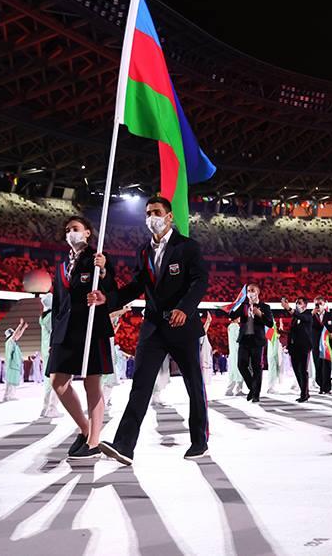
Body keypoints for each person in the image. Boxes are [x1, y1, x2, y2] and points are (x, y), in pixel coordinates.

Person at [90, 195, 210, 464]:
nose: (151, 217)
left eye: (156, 212)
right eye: (147, 213)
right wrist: (108, 300)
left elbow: (199, 281)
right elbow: (136, 286)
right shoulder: (143, 251)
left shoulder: (188, 247)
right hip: (153, 327)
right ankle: (124, 445)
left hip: (183, 326)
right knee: (140, 386)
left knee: (193, 385)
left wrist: (185, 308)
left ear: (169, 217)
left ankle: (199, 441)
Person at [46, 215, 117, 460]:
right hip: (65, 331)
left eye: (75, 229)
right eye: (67, 230)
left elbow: (111, 289)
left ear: (87, 232)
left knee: (91, 383)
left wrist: (104, 269)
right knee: (58, 382)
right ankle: (86, 429)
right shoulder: (60, 265)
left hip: (91, 327)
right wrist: (54, 334)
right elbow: (57, 302)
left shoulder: (97, 258)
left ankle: (94, 440)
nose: (70, 233)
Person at [229, 282, 273, 403]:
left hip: (257, 341)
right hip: (244, 340)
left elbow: (270, 323)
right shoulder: (243, 306)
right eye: (248, 290)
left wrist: (260, 314)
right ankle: (252, 388)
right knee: (241, 365)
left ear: (257, 292)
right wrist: (238, 303)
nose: (250, 293)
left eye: (252, 290)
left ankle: (256, 394)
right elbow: (231, 314)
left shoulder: (265, 307)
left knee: (256, 367)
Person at [283, 296, 314, 402]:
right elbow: (292, 333)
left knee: (302, 370)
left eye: (299, 302)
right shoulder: (295, 318)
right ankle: (304, 392)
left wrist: (288, 308)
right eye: (296, 302)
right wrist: (283, 333)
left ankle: (304, 394)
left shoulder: (308, 314)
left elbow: (301, 317)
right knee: (297, 371)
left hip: (304, 347)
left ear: (305, 305)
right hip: (294, 348)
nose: (297, 304)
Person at [38, 293, 60, 418]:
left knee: (48, 381)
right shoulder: (52, 317)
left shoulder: (44, 317)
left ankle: (45, 408)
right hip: (53, 351)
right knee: (56, 380)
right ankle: (52, 408)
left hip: (46, 351)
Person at [3, 320, 29, 402]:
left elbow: (18, 335)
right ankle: (7, 396)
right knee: (10, 381)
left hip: (14, 364)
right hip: (11, 365)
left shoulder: (12, 342)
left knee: (13, 380)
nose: (16, 335)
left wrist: (23, 328)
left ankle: (11, 395)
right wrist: (20, 325)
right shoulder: (10, 341)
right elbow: (15, 335)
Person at [224, 317, 245, 397]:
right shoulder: (235, 326)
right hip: (237, 351)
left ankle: (229, 390)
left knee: (233, 372)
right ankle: (238, 390)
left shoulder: (230, 326)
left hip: (233, 352)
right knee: (240, 370)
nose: (240, 318)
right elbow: (239, 338)